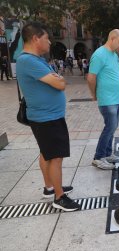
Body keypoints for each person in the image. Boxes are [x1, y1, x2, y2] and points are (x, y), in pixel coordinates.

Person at [16, 22, 80, 211]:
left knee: (46, 153)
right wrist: (58, 80)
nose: (50, 42)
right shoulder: (28, 61)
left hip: (46, 117)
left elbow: (57, 78)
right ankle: (59, 197)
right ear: (36, 39)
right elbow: (60, 83)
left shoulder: (35, 60)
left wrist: (57, 79)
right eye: (46, 38)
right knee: (56, 157)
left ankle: (50, 187)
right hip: (47, 118)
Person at [87, 29, 119, 170]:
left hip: (117, 98)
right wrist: (94, 94)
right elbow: (91, 77)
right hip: (107, 99)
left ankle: (108, 153)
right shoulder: (99, 54)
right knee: (109, 127)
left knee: (112, 127)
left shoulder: (114, 55)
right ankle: (98, 157)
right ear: (112, 39)